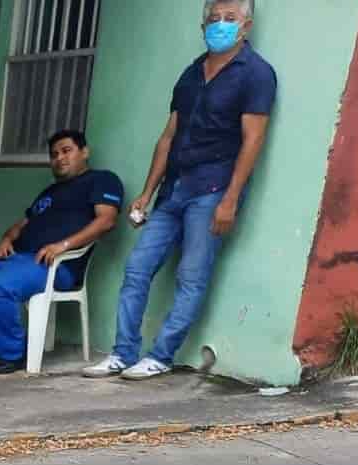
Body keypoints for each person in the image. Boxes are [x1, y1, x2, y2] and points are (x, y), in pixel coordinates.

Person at [85, 0, 276, 381]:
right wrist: (146, 193)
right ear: (203, 24)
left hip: (213, 190)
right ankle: (123, 353)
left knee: (191, 277)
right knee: (138, 268)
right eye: (213, 19)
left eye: (230, 19)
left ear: (246, 26)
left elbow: (253, 140)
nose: (220, 24)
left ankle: (161, 356)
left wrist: (231, 199)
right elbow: (169, 136)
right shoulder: (191, 74)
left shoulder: (256, 74)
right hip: (172, 190)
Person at [0, 130, 124, 374]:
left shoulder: (102, 180)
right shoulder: (49, 193)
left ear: (84, 152)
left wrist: (63, 245)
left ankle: (12, 353)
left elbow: (106, 221)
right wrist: (7, 238)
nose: (59, 158)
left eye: (66, 151)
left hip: (57, 265)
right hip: (18, 258)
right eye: (54, 154)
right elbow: (22, 224)